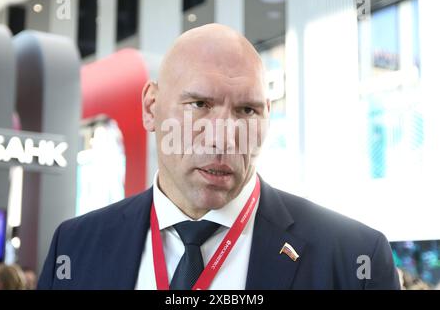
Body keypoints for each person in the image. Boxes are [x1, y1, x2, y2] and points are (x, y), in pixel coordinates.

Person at [38, 23, 400, 290]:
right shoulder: (73, 249)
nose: (224, 136)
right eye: (199, 104)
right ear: (151, 107)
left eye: (246, 111)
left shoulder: (353, 259)